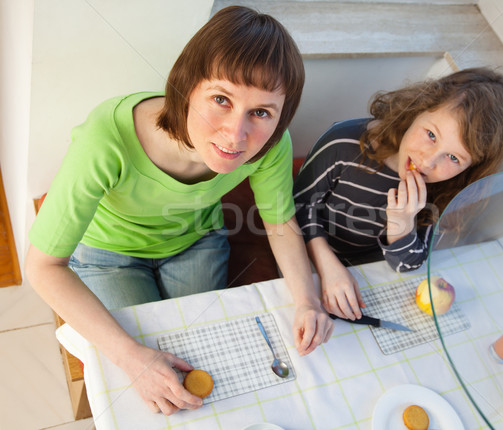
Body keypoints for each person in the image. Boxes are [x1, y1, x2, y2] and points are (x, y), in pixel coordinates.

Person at [26, 6, 334, 415]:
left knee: (196, 357)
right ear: (186, 86)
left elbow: (279, 220)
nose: (236, 134)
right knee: (142, 370)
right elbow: (42, 267)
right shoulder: (106, 139)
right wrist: (131, 356)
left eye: (260, 112)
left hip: (196, 243)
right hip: (108, 255)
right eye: (221, 100)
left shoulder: (273, 144)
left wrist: (307, 300)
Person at [293, 67, 503, 321]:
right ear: (417, 109)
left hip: (365, 276)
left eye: (454, 157)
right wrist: (327, 266)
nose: (428, 161)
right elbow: (296, 207)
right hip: (304, 252)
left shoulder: (443, 189)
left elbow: (407, 264)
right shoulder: (343, 144)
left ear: (471, 168)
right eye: (431, 135)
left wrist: (402, 225)